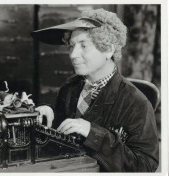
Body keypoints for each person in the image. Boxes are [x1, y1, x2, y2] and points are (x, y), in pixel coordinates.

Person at [31, 8, 159, 172]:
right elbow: (65, 125)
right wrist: (49, 113)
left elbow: (145, 166)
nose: (73, 55)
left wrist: (94, 133)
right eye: (71, 46)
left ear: (108, 49)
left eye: (83, 46)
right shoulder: (70, 86)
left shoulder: (137, 103)